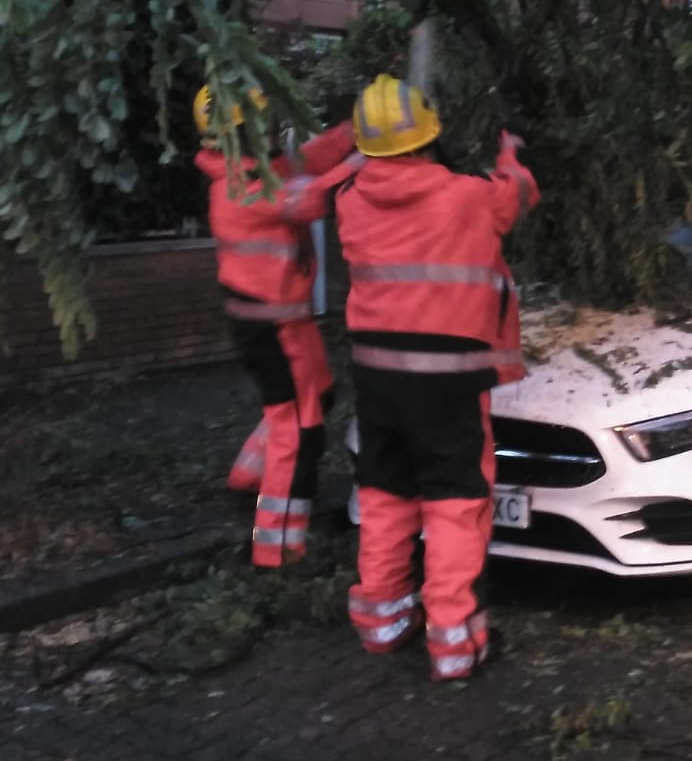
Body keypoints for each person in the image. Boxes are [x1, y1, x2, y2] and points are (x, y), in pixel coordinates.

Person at [336, 74, 538, 680]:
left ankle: (381, 622)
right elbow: (519, 193)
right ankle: (454, 644)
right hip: (446, 380)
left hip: (375, 375)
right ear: (428, 137)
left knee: (385, 494)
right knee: (454, 503)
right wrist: (511, 149)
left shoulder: (348, 199)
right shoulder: (469, 197)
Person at [194, 84, 359, 567]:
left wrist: (354, 132)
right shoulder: (240, 190)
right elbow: (310, 199)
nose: (271, 133)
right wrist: (366, 159)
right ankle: (278, 548)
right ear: (236, 137)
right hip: (272, 328)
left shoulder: (256, 172)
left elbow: (311, 159)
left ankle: (247, 475)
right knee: (300, 432)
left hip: (284, 322)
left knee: (315, 398)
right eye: (261, 126)